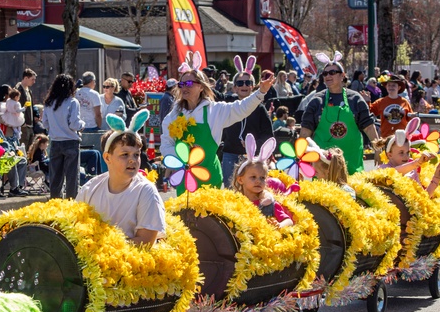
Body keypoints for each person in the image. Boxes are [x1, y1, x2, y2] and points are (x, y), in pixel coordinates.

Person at [161, 65, 276, 195]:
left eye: (189, 83)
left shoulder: (214, 110)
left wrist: (260, 92)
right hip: (186, 178)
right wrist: (183, 155)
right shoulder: (173, 116)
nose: (184, 87)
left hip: (210, 175)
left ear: (201, 86)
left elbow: (241, 108)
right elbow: (165, 145)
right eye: (181, 84)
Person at [76, 117, 167, 245]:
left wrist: (102, 247)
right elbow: (73, 228)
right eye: (125, 154)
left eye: (136, 154)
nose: (132, 160)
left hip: (131, 263)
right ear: (107, 158)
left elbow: (146, 242)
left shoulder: (146, 191)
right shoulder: (90, 189)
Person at [298, 55, 378, 174]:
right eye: (325, 74)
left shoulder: (355, 99)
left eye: (332, 72)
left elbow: (369, 126)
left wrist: (377, 150)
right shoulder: (316, 101)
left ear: (342, 76)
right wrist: (301, 157)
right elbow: (305, 131)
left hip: (351, 162)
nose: (328, 76)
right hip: (324, 165)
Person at [220, 69, 274, 186]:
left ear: (252, 87)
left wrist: (255, 145)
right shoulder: (228, 102)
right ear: (234, 87)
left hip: (252, 158)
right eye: (240, 83)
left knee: (251, 191)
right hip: (230, 154)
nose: (244, 85)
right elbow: (212, 94)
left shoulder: (260, 108)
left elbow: (268, 135)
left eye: (248, 83)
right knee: (231, 192)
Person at [230, 134, 293, 227]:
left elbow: (289, 221)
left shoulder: (268, 203)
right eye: (253, 177)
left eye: (262, 178)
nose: (258, 181)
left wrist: (279, 225)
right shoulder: (234, 203)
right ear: (240, 179)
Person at [42, 74, 84, 199]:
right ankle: (71, 204)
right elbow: (74, 124)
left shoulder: (49, 103)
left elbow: (45, 123)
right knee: (72, 177)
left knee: (55, 177)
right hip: (70, 141)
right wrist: (83, 124)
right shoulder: (72, 102)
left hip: (55, 141)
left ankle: (55, 203)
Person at [373, 128, 440, 196]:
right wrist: (417, 163)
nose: (406, 156)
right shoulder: (382, 169)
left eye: (408, 152)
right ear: (389, 155)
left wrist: (436, 178)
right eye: (401, 152)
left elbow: (423, 197)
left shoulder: (412, 170)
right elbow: (394, 173)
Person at [15, 68, 38, 154]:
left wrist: (36, 114)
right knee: (22, 149)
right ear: (25, 78)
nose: (34, 82)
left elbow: (31, 106)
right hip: (23, 126)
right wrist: (22, 123)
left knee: (29, 150)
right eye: (32, 79)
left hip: (30, 125)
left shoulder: (29, 91)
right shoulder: (18, 91)